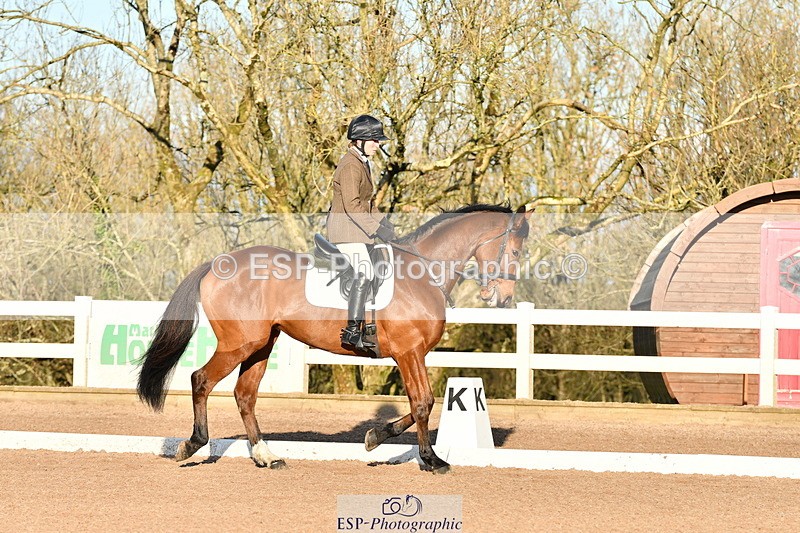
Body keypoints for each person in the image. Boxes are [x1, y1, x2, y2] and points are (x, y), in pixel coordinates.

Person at [326, 114, 396, 351]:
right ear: (359, 140)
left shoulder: (362, 163)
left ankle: (370, 326)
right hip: (345, 230)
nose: (378, 145)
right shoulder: (349, 165)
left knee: (382, 262)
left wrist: (384, 224)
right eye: (374, 140)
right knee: (365, 270)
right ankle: (352, 331)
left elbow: (369, 204)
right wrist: (375, 228)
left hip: (357, 229)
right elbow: (352, 206)